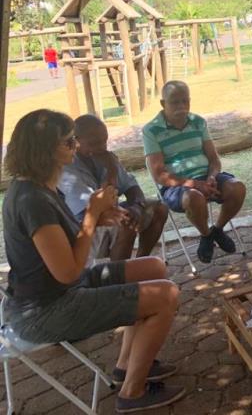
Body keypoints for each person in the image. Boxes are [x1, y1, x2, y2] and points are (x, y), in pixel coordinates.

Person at [2, 109, 184, 413]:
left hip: (59, 292)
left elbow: (63, 243)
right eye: (69, 142)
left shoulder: (42, 187)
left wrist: (98, 220)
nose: (75, 146)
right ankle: (132, 393)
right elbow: (68, 271)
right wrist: (91, 214)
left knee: (153, 268)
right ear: (45, 150)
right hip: (45, 310)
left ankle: (128, 366)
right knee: (167, 295)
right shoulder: (31, 200)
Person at [143, 80, 247, 264]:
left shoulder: (198, 122)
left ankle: (217, 230)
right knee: (194, 197)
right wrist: (194, 185)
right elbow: (159, 175)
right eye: (175, 102)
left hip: (206, 178)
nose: (181, 106)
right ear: (162, 103)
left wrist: (212, 177)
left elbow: (214, 160)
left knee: (237, 187)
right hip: (176, 186)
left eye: (185, 101)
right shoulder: (151, 131)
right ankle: (206, 235)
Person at [59, 115, 168, 262]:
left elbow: (131, 186)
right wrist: (111, 170)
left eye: (104, 141)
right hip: (83, 229)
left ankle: (140, 262)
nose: (102, 147)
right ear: (76, 140)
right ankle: (117, 276)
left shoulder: (102, 156)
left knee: (159, 209)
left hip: (106, 216)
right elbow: (101, 207)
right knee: (125, 223)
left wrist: (137, 205)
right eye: (95, 143)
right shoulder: (69, 168)